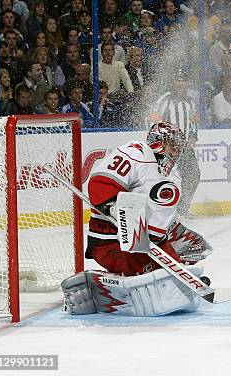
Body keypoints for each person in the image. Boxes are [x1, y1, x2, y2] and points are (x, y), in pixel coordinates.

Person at [62, 122, 212, 316]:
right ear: (158, 142)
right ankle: (96, 285)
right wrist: (111, 205)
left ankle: (159, 275)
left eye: (178, 146)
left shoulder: (173, 178)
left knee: (184, 259)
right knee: (151, 274)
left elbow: (156, 233)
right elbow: (100, 182)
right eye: (172, 144)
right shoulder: (135, 153)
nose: (176, 151)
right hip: (109, 241)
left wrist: (174, 264)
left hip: (144, 243)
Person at [148, 72, 202, 220]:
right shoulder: (164, 100)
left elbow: (194, 121)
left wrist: (193, 134)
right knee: (164, 179)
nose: (181, 83)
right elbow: (152, 119)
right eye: (178, 80)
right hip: (167, 148)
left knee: (193, 176)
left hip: (184, 147)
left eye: (183, 80)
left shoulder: (190, 102)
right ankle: (162, 213)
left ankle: (182, 210)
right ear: (173, 82)